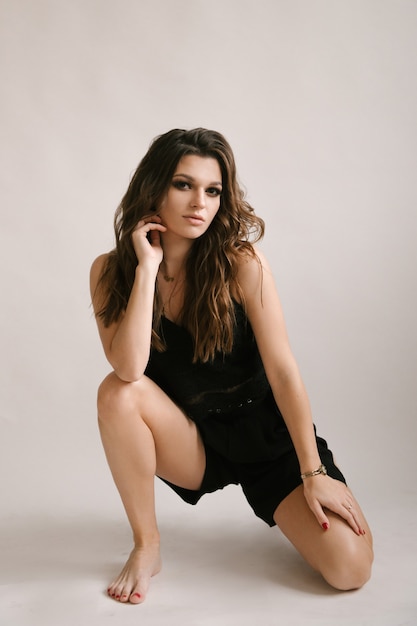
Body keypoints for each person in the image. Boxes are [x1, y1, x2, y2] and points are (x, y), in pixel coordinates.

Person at [90, 128, 373, 605]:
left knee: (349, 570)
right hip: (194, 440)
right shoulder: (110, 271)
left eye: (213, 190)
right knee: (117, 392)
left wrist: (313, 470)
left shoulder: (242, 264)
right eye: (183, 185)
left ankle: (296, 497)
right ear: (153, 186)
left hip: (268, 437)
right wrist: (146, 269)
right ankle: (147, 545)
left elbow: (282, 370)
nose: (200, 202)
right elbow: (129, 367)